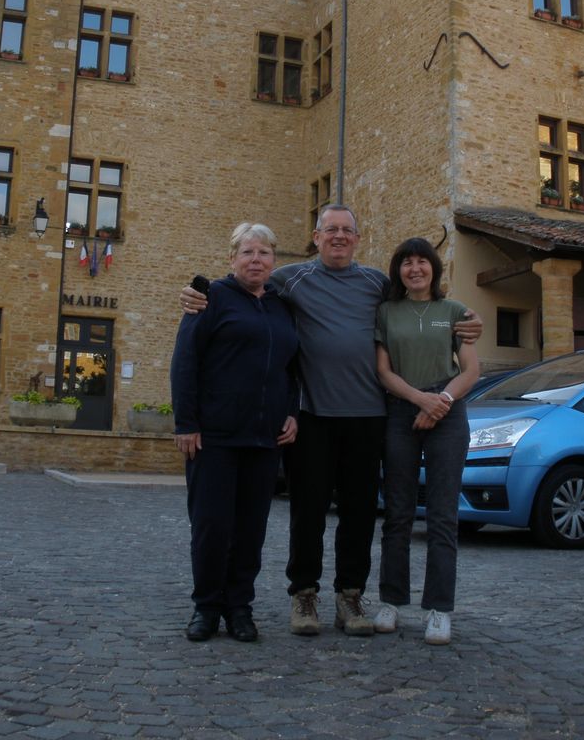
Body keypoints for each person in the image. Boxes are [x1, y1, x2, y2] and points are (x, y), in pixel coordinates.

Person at [180, 205, 483, 637]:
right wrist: (198, 293)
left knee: (359, 514)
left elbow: (421, 303)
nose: (339, 236)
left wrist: (470, 320)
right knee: (308, 512)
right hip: (314, 416)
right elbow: (246, 280)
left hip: (369, 417)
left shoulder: (377, 284)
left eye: (347, 230)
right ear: (316, 237)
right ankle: (303, 594)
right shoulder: (290, 279)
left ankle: (350, 596)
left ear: (357, 239)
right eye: (330, 230)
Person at [170, 222, 299, 643]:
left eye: (263, 253)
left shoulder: (282, 306)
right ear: (232, 258)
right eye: (247, 252)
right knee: (211, 527)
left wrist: (291, 412)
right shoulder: (211, 298)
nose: (256, 260)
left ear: (274, 260)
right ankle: (206, 607)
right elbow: (185, 361)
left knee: (250, 531)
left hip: (264, 439)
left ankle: (239, 607)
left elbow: (291, 369)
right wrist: (186, 423)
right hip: (214, 437)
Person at [373, 236, 479, 644]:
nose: (414, 269)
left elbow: (470, 370)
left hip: (448, 413)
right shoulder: (386, 312)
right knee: (397, 512)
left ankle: (439, 609)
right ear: (398, 270)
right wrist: (421, 400)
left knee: (442, 514)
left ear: (434, 268)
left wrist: (441, 402)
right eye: (407, 262)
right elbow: (383, 371)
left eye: (422, 261)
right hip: (401, 410)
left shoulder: (455, 311)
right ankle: (391, 602)